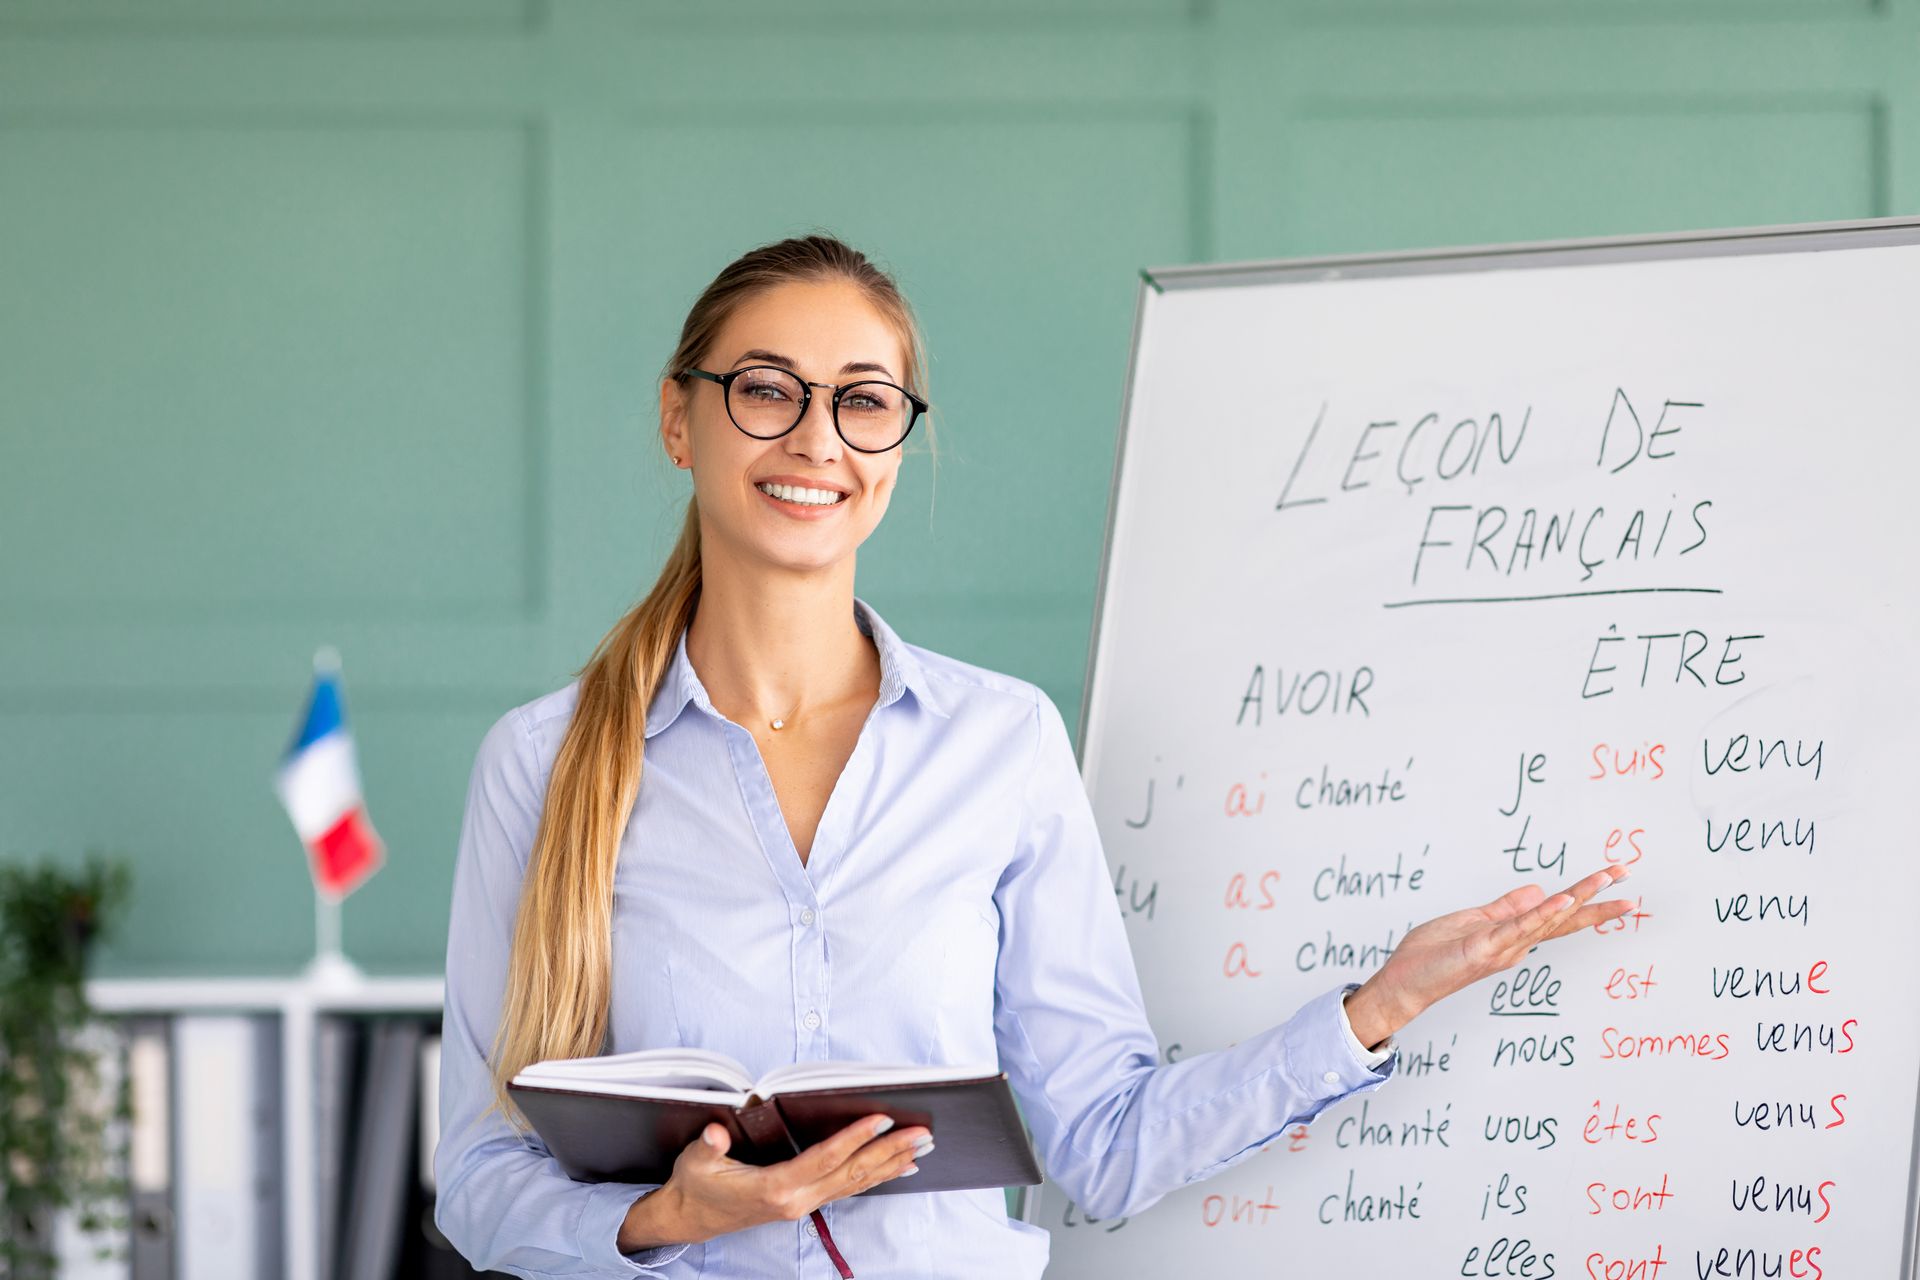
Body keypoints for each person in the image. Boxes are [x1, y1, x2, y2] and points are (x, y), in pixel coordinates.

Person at [432, 234, 1632, 1279]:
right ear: (677, 417)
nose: (816, 438)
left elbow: (1102, 1145)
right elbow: (480, 1178)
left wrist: (1376, 1007)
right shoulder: (542, 763)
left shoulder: (998, 744)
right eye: (765, 389)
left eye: (863, 399)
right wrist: (665, 1215)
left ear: (897, 443)